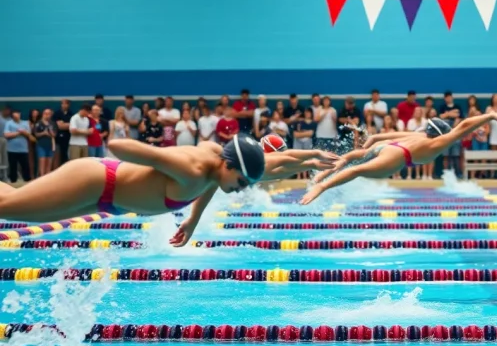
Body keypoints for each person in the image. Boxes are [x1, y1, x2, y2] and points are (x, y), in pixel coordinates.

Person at [0, 133, 338, 245]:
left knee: (9, 204)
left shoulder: (215, 169)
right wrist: (158, 160)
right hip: (94, 181)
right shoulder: (192, 167)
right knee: (8, 207)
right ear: (229, 166)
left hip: (104, 201)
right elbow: (118, 145)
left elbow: (274, 163)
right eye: (241, 183)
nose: (240, 190)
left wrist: (192, 220)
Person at [301, 112, 497, 204]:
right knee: (357, 170)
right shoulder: (438, 142)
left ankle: (323, 174)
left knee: (350, 158)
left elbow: (385, 136)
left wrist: (372, 141)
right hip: (397, 156)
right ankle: (321, 187)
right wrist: (491, 116)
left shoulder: (420, 134)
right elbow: (463, 126)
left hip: (387, 146)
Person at [3, 110, 32, 183]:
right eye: (15, 114)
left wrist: (24, 132)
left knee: (26, 167)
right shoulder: (8, 123)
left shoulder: (25, 123)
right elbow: (6, 135)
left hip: (23, 150)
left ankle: (27, 182)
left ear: (20, 114)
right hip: (12, 150)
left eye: (18, 114)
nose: (16, 115)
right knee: (13, 168)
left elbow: (29, 134)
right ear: (12, 115)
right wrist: (18, 133)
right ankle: (13, 182)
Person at [34, 108, 56, 177]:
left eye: (49, 114)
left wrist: (51, 132)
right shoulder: (38, 123)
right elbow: (36, 134)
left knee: (49, 163)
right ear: (43, 114)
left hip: (50, 145)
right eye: (46, 114)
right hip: (41, 145)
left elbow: (54, 134)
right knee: (42, 162)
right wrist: (43, 133)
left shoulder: (52, 123)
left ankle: (47, 179)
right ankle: (41, 178)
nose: (47, 115)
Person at [52, 100, 73, 169]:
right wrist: (67, 125)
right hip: (58, 139)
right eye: (63, 104)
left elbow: (72, 126)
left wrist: (64, 124)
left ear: (69, 105)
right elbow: (59, 126)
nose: (64, 105)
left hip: (68, 139)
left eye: (66, 104)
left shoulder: (71, 114)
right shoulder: (57, 113)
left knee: (66, 157)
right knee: (57, 157)